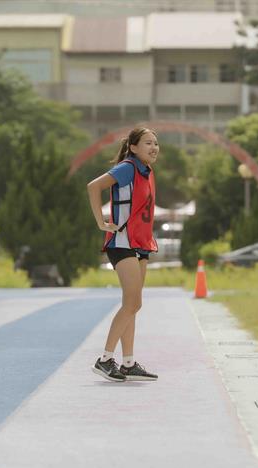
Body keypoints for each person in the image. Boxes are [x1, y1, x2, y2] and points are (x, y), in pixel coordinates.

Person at [86, 126, 159, 382]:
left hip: (141, 244)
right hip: (121, 242)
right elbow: (93, 187)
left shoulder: (147, 171)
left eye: (156, 143)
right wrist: (101, 222)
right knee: (132, 303)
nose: (154, 147)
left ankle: (128, 363)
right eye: (148, 143)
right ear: (133, 147)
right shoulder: (128, 168)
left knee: (133, 304)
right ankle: (105, 359)